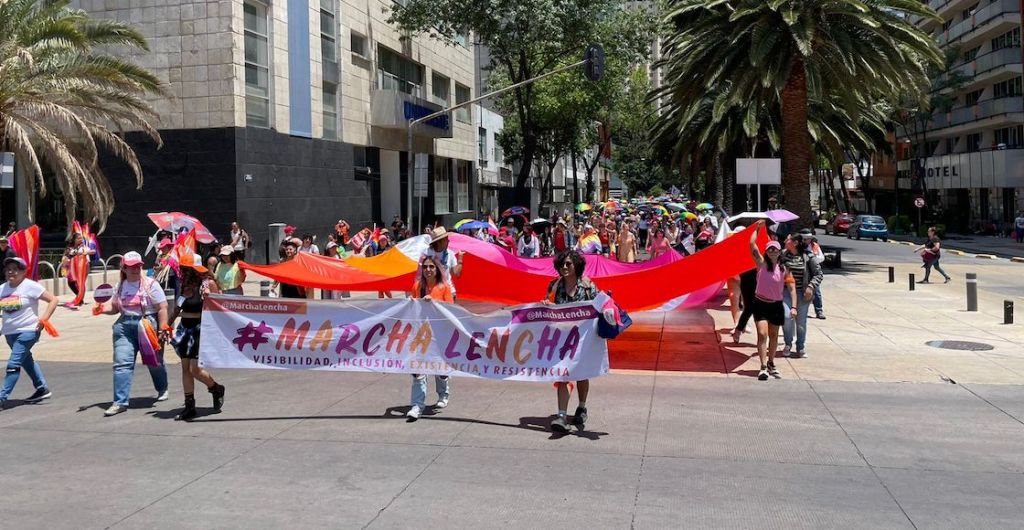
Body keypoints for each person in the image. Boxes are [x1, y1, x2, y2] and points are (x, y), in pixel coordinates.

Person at [545, 249, 613, 433]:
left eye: (568, 264)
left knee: (582, 374)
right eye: (562, 264)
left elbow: (601, 304)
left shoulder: (588, 286)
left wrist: (607, 309)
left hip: (584, 339)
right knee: (563, 374)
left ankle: (582, 407)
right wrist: (548, 306)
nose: (564, 267)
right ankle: (561, 416)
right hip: (562, 338)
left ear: (577, 266)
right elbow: (547, 305)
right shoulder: (554, 285)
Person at [95, 251, 170, 416]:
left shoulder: (151, 284)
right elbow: (114, 308)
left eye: (138, 266)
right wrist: (101, 309)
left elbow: (162, 307)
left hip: (147, 324)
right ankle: (120, 402)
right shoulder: (120, 286)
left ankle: (162, 387)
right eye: (131, 267)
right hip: (124, 326)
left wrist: (163, 327)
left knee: (154, 361)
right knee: (122, 363)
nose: (135, 269)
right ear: (124, 268)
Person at [168, 254, 225, 421]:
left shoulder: (209, 284)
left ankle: (216, 388)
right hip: (184, 329)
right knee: (185, 368)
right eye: (183, 269)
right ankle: (189, 406)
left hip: (201, 329)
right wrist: (167, 325)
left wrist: (210, 298)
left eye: (187, 269)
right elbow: (178, 308)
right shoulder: (184, 284)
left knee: (195, 369)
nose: (184, 272)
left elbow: (220, 309)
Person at [0, 257, 58, 409]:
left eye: (15, 268)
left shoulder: (30, 286)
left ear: (23, 271)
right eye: (8, 269)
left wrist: (44, 319)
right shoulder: (3, 288)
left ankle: (2, 398)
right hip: (9, 334)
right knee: (26, 361)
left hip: (28, 331)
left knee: (13, 364)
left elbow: (53, 300)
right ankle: (42, 388)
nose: (10, 271)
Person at [406, 256, 454, 421]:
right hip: (420, 334)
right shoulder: (417, 286)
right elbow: (412, 309)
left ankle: (443, 395)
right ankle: (417, 405)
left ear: (437, 269)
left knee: (439, 370)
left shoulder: (444, 287)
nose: (428, 270)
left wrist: (432, 302)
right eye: (425, 267)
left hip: (439, 334)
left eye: (431, 267)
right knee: (418, 370)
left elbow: (450, 311)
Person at [748, 222, 796, 381]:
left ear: (779, 251)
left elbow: (791, 288)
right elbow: (752, 245)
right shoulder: (761, 264)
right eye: (770, 249)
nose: (773, 251)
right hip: (760, 303)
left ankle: (771, 362)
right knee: (762, 334)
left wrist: (794, 306)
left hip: (776, 305)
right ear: (766, 251)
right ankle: (762, 366)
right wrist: (756, 229)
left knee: (774, 336)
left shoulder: (784, 269)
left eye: (775, 249)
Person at [780, 233, 823, 359]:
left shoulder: (808, 256)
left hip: (803, 293)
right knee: (786, 316)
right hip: (786, 291)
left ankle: (800, 346)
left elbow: (818, 274)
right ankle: (788, 343)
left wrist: (811, 287)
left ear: (795, 243)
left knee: (801, 321)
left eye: (787, 240)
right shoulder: (782, 254)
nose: (785, 241)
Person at [423, 226, 463, 300]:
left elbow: (456, 273)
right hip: (431, 292)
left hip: (448, 291)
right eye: (446, 239)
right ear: (439, 241)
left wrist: (460, 260)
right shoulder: (427, 253)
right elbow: (421, 274)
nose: (448, 241)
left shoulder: (450, 253)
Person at [60, 232, 97, 306]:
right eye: (78, 238)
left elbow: (94, 251)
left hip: (83, 267)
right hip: (72, 269)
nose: (80, 239)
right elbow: (65, 256)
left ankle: (80, 299)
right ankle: (79, 298)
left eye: (81, 238)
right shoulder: (69, 247)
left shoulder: (84, 246)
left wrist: (85, 252)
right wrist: (65, 262)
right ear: (74, 239)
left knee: (80, 283)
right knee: (71, 283)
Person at [801, 228, 827, 319]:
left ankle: (819, 311)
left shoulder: (814, 246)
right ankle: (803, 311)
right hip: (802, 272)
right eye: (805, 238)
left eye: (809, 238)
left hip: (813, 271)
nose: (807, 240)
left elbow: (821, 257)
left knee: (817, 292)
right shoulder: (798, 246)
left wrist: (813, 259)